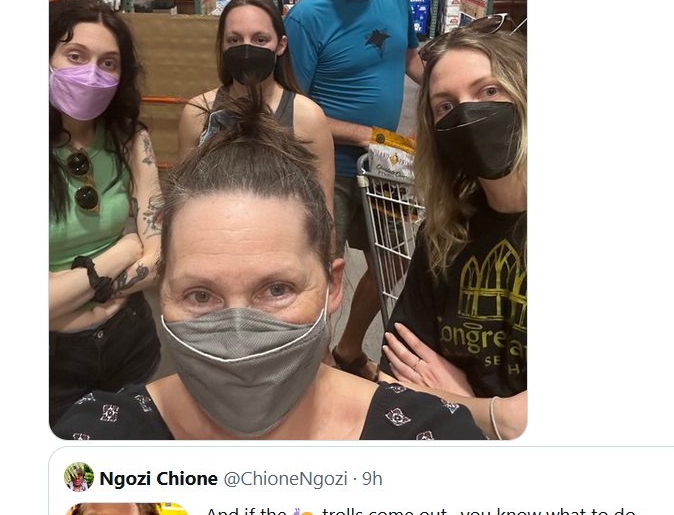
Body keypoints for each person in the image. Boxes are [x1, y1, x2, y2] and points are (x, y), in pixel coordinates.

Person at [54, 99, 484, 441]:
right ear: (161, 291)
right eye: (200, 295)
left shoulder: (431, 441)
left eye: (277, 289)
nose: (239, 338)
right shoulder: (94, 443)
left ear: (334, 286)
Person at [284, 0, 424, 379]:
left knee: (393, 260)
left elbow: (410, 56)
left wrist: (451, 90)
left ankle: (346, 350)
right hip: (330, 170)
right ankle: (315, 369)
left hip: (386, 162)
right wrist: (363, 134)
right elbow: (293, 109)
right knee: (322, 273)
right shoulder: (306, 18)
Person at [380, 19, 527, 440]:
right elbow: (396, 375)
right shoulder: (444, 234)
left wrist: (464, 404)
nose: (466, 113)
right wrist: (499, 415)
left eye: (489, 91)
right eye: (445, 106)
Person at [49, 0, 162, 427]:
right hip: (52, 362)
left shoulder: (130, 138)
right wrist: (123, 251)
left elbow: (158, 256)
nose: (91, 73)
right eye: (75, 56)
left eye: (108, 63)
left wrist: (69, 290)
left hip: (129, 338)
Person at [177, 0, 334, 213]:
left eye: (260, 40)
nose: (246, 50)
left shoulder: (308, 117)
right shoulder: (197, 113)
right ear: (222, 46)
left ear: (281, 45)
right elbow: (182, 202)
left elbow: (324, 211)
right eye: (234, 40)